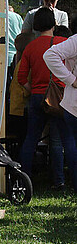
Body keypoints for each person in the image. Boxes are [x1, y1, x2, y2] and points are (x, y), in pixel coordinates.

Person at [18, 7, 74, 189]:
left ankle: (24, 179)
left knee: (31, 139)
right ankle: (64, 180)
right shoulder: (63, 42)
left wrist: (34, 89)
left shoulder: (30, 47)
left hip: (37, 96)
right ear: (55, 23)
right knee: (64, 140)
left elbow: (21, 77)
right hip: (60, 97)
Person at [44, 33, 77, 192]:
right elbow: (50, 55)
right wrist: (71, 80)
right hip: (72, 106)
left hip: (67, 104)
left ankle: (61, 181)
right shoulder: (75, 40)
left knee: (63, 144)